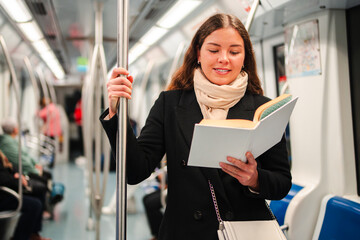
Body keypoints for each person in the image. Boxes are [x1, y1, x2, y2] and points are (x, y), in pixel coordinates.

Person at [100, 13, 292, 240]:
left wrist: (255, 179)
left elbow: (282, 183)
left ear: (244, 57)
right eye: (214, 50)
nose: (224, 59)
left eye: (234, 51)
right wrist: (115, 113)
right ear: (198, 54)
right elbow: (135, 171)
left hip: (242, 231)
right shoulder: (169, 104)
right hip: (185, 231)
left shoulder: (263, 108)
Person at [0, 150, 51, 240]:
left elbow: (11, 167)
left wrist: (19, 174)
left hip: (7, 189)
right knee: (34, 205)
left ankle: (33, 234)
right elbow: (2, 178)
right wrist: (16, 178)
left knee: (39, 192)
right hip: (3, 195)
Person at [38, 97, 62, 167]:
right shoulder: (55, 107)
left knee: (45, 147)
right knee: (52, 147)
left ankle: (45, 161)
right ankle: (51, 162)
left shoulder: (49, 108)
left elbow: (40, 114)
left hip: (49, 131)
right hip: (54, 131)